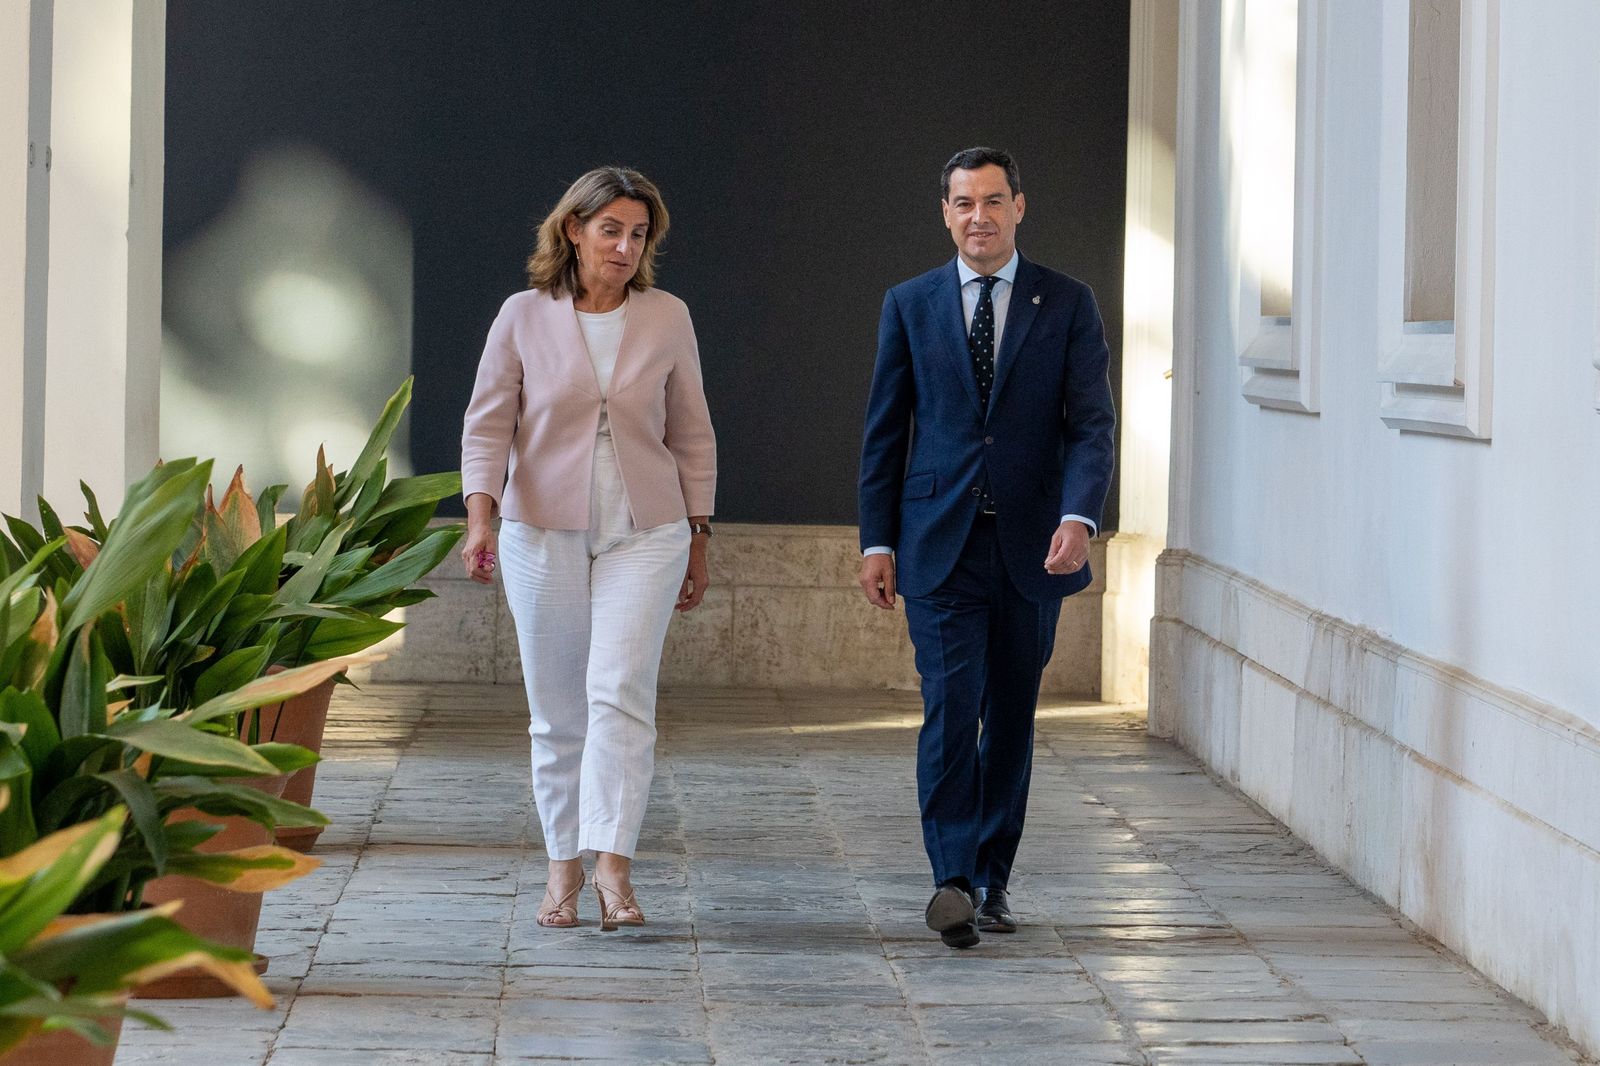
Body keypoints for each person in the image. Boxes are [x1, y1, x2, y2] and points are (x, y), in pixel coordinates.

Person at [857, 147, 1115, 948]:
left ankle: (994, 879)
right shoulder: (910, 303)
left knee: (1009, 719)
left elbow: (1092, 428)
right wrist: (877, 540)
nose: (980, 216)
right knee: (949, 710)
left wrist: (1079, 518)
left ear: (1018, 207)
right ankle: (953, 879)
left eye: (994, 201)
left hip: (1035, 549)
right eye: (964, 202)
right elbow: (885, 433)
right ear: (946, 212)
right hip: (940, 547)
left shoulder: (1067, 303)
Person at [460, 166, 716, 930]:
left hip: (650, 529)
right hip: (540, 527)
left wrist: (700, 536)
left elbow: (693, 432)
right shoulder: (521, 315)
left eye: (639, 235)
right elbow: (487, 425)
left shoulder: (668, 316)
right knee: (557, 711)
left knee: (621, 693)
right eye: (611, 231)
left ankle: (615, 870)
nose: (626, 247)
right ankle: (560, 868)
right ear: (573, 230)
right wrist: (481, 517)